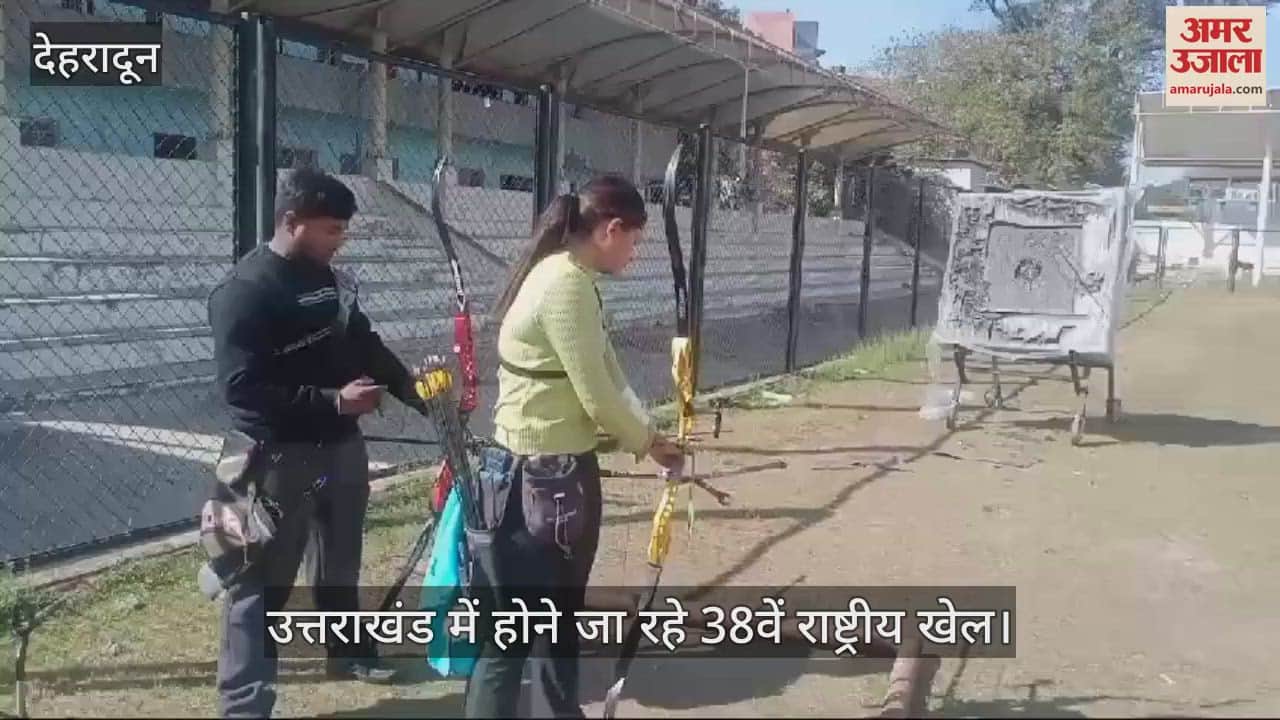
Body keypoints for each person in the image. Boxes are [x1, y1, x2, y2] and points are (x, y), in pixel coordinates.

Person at [207, 169, 430, 718]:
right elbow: (243, 391)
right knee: (260, 583)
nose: (339, 241)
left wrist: (418, 393)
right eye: (331, 230)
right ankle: (245, 704)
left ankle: (349, 653)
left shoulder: (330, 282)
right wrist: (331, 401)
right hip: (275, 458)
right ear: (291, 222)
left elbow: (366, 345)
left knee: (340, 562)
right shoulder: (245, 292)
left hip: (341, 450)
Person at [463, 175, 685, 718]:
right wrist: (652, 446)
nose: (634, 253)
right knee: (522, 636)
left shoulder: (572, 278)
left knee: (548, 630)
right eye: (634, 240)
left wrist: (648, 428)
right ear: (610, 230)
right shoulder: (565, 285)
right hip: (539, 484)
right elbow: (596, 398)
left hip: (544, 477)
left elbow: (609, 377)